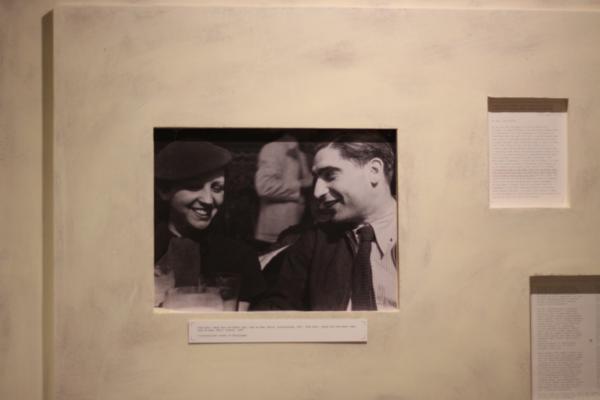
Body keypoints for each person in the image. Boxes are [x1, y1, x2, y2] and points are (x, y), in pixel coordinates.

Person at [251, 133, 398, 311]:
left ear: (374, 171)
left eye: (330, 175)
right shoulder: (313, 242)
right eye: (317, 178)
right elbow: (277, 308)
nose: (317, 192)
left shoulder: (423, 234)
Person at [154, 141, 266, 311]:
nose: (208, 200)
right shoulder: (139, 251)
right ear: (164, 191)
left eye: (217, 188)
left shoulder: (240, 258)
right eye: (194, 186)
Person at [254, 134, 313, 251]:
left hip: (298, 228)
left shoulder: (300, 151)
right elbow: (264, 186)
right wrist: (300, 186)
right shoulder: (273, 148)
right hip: (275, 232)